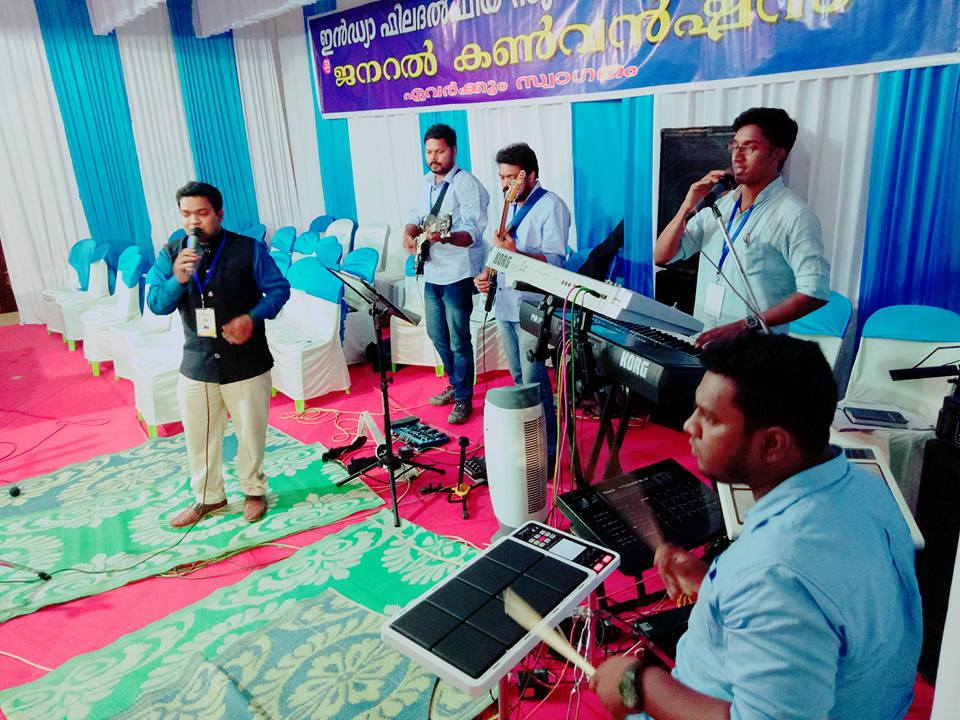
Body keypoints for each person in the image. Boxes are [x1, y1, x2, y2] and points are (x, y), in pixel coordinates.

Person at [590, 333, 922, 720]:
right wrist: (715, 586)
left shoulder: (774, 572)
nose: (689, 426)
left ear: (772, 444)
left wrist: (638, 684)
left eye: (710, 418)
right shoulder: (866, 490)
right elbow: (826, 609)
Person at [147, 182, 290, 527]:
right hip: (198, 362)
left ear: (219, 214)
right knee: (199, 438)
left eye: (202, 213)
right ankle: (208, 497)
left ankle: (253, 490)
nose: (193, 222)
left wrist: (251, 318)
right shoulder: (171, 253)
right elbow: (156, 304)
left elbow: (279, 290)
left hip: (246, 360)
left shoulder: (248, 248)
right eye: (186, 214)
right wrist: (178, 279)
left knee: (250, 434)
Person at [654, 107, 830, 347]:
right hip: (705, 343)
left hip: (754, 352)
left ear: (777, 154)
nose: (737, 157)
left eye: (749, 148)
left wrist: (745, 325)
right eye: (735, 146)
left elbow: (814, 293)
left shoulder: (794, 215)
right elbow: (662, 256)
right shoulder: (721, 204)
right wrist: (687, 204)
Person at [474, 142, 570, 460]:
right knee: (518, 379)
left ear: (529, 176)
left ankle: (550, 450)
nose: (505, 184)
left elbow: (555, 263)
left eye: (511, 177)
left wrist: (516, 253)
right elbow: (501, 252)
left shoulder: (551, 206)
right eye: (502, 177)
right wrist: (486, 273)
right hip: (505, 303)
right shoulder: (510, 206)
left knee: (534, 381)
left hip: (532, 305)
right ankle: (528, 442)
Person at [403, 124, 489, 424]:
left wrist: (447, 237)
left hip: (458, 273)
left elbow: (474, 232)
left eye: (439, 151)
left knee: (458, 339)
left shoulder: (467, 184)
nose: (433, 157)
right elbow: (415, 217)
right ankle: (456, 383)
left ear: (453, 150)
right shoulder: (426, 182)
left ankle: (464, 398)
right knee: (436, 333)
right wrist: (409, 233)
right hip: (432, 271)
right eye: (429, 152)